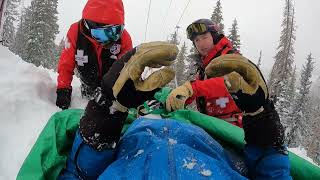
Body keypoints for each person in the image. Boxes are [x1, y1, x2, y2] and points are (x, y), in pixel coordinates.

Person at [59, 42, 291, 179]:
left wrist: (107, 109)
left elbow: (78, 174)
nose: (200, 42)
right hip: (203, 138)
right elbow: (272, 174)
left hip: (140, 134)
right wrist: (262, 118)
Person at [166, 19, 244, 127]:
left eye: (205, 37)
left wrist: (191, 88)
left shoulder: (231, 57)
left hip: (236, 129)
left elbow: (229, 81)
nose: (201, 43)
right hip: (213, 125)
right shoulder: (204, 67)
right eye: (197, 40)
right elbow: (198, 91)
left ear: (214, 36)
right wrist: (177, 98)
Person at [56, 0, 133, 110]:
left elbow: (127, 71)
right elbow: (66, 63)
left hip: (111, 87)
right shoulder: (75, 32)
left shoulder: (124, 39)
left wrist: (113, 93)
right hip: (88, 85)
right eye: (102, 34)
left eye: (116, 31)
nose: (109, 40)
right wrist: (63, 89)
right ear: (88, 25)